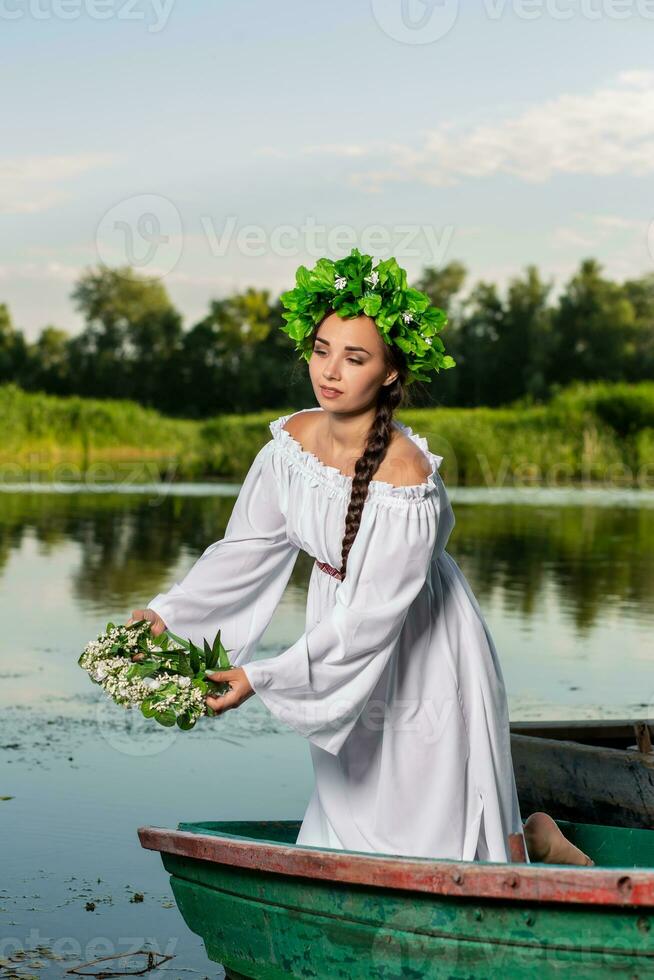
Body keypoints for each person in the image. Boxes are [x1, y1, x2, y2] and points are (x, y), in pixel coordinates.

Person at [128, 248, 593, 867]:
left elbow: (371, 616)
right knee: (354, 799)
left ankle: (529, 837)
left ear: (391, 374)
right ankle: (510, 841)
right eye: (322, 349)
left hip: (416, 635)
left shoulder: (405, 475)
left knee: (423, 810)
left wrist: (262, 676)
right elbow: (244, 551)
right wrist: (169, 616)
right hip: (340, 625)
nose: (331, 371)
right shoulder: (289, 444)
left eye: (355, 357)